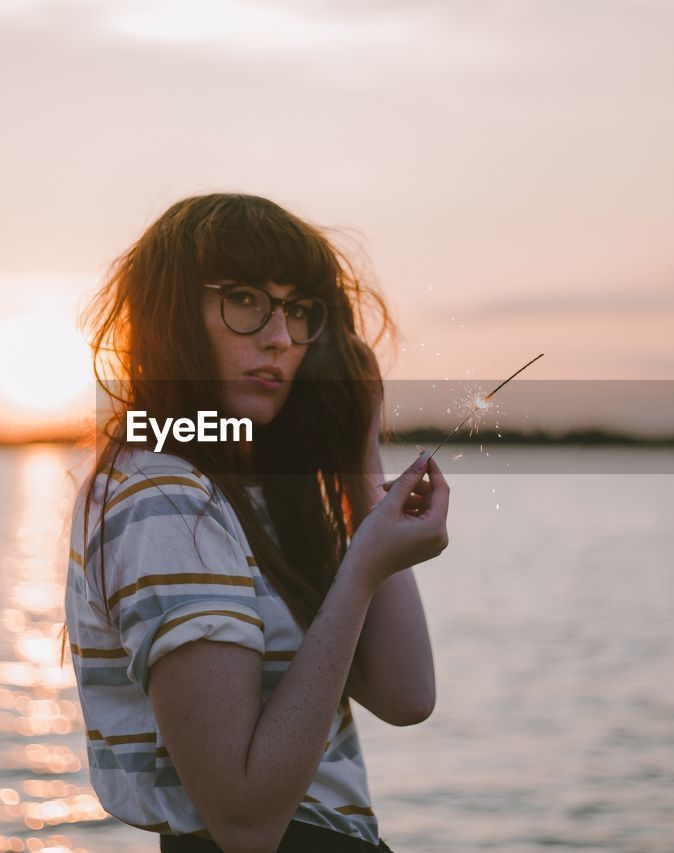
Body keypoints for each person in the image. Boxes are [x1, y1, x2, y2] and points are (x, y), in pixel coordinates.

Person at [61, 193, 450, 853]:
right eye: (244, 299)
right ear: (173, 315)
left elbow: (408, 694)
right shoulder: (165, 498)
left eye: (300, 310)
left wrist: (362, 478)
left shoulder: (249, 497)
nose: (279, 336)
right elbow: (243, 821)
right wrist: (360, 569)